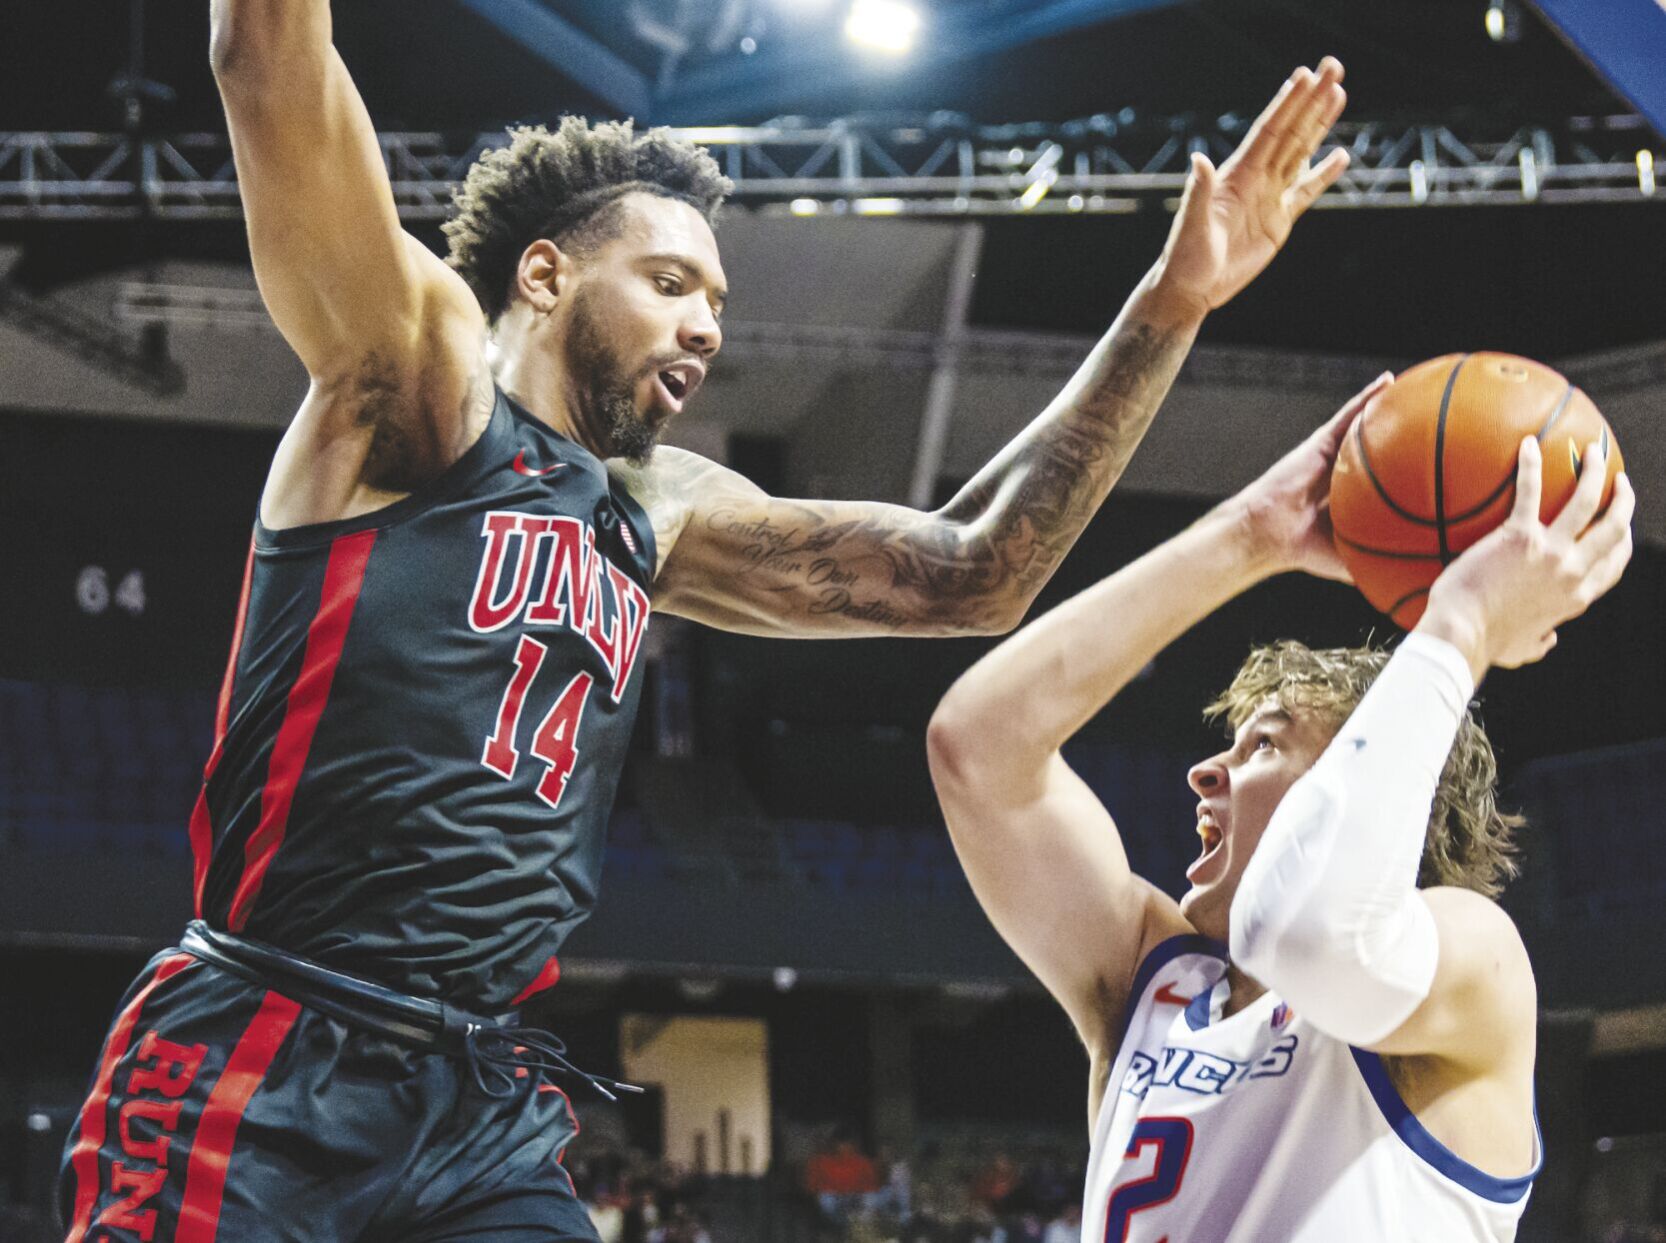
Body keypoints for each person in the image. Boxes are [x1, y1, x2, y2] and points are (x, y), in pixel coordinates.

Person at [58, 0, 1355, 1235]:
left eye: (718, 304)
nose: (702, 327)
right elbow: (265, 66)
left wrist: (1168, 304)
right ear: (548, 271)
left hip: (476, 1104)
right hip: (268, 1042)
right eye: (673, 282)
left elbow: (973, 573)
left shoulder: (662, 509)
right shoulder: (412, 382)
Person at [927, 388, 1635, 1241]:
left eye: (1261, 746)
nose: (1203, 772)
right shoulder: (1154, 982)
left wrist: (1463, 624)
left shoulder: (1472, 960)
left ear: (1366, 778)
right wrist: (1249, 535)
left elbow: (1309, 936)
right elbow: (978, 747)